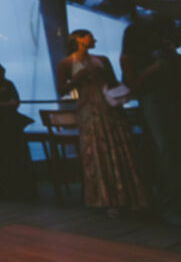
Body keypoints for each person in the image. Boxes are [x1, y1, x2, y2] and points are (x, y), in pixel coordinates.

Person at [121, 18, 181, 230]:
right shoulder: (129, 58)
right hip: (154, 105)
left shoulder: (163, 52)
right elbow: (134, 85)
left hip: (174, 102)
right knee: (167, 152)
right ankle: (173, 204)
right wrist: (153, 70)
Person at [55, 29, 150, 216]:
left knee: (117, 146)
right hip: (89, 109)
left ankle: (127, 195)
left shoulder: (102, 60)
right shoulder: (66, 63)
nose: (94, 39)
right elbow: (61, 89)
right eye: (90, 36)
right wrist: (76, 80)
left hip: (107, 107)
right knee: (98, 150)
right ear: (80, 40)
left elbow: (113, 82)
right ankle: (108, 197)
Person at [0, 62, 36, 200]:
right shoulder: (5, 85)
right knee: (8, 153)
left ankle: (4, 190)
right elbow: (12, 102)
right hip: (6, 123)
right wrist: (6, 105)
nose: (2, 71)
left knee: (4, 154)